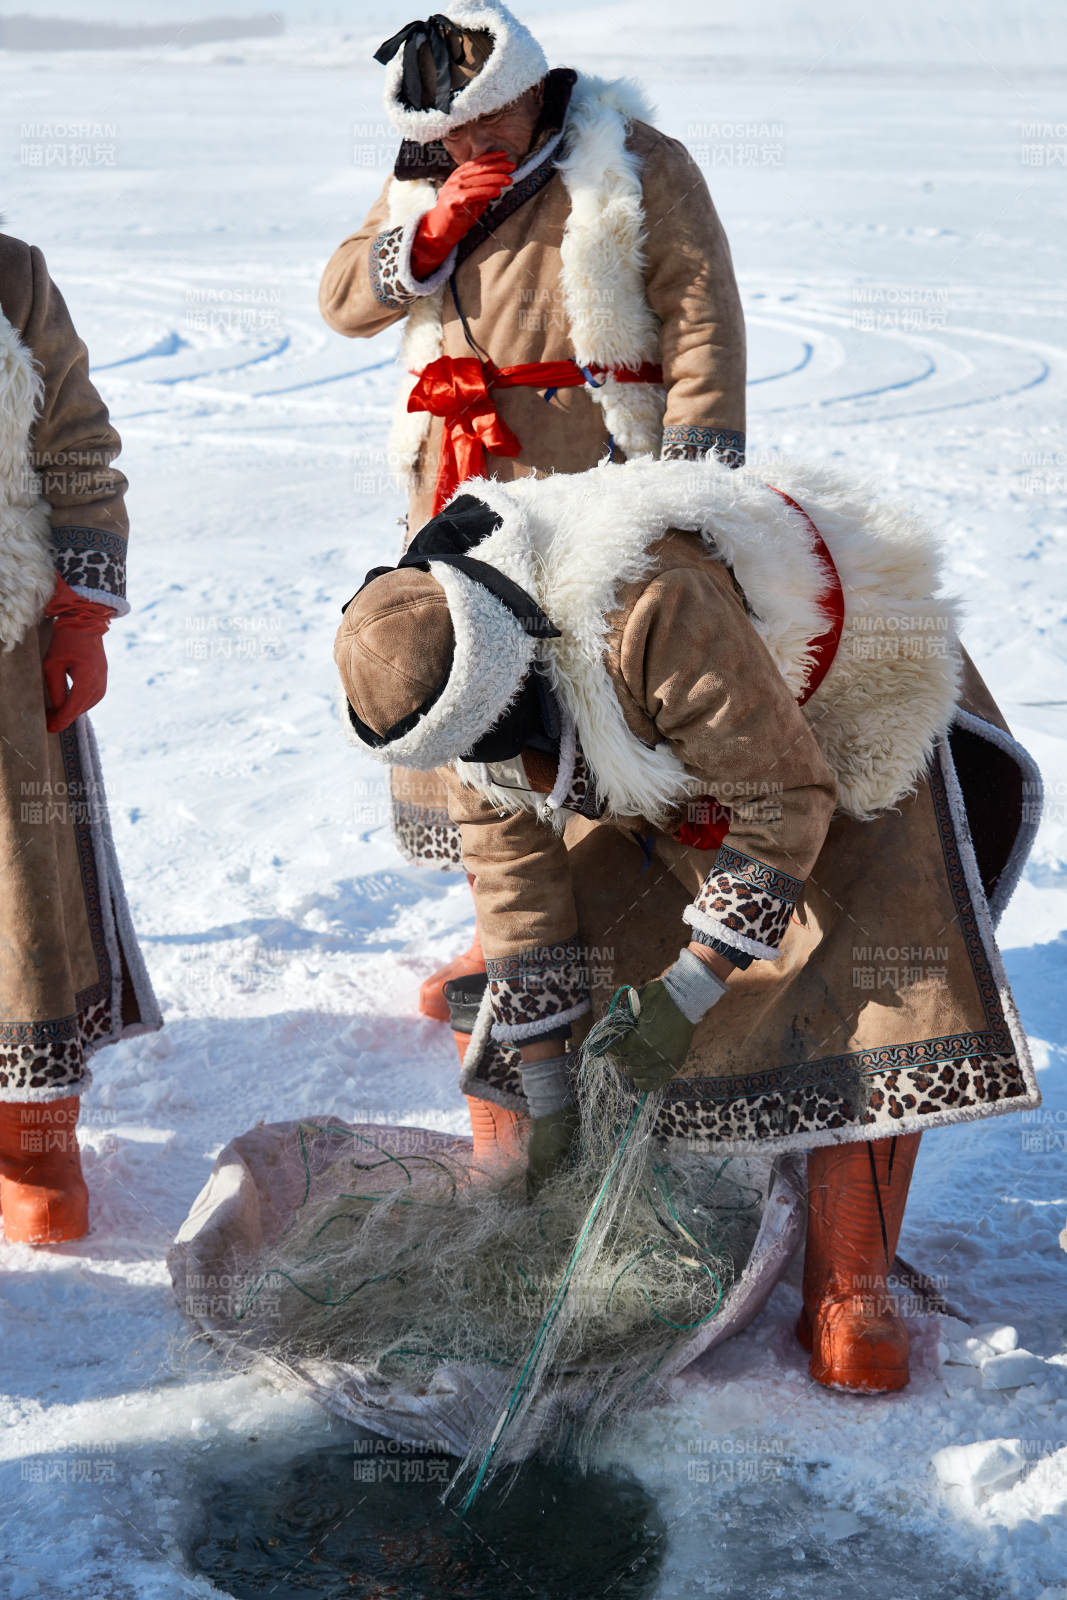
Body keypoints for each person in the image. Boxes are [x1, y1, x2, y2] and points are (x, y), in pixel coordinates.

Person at [332, 456, 1041, 1393]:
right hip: (670, 732)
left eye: (505, 741)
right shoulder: (429, 669)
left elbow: (784, 800)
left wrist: (690, 986)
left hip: (833, 722)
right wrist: (548, 1094)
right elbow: (518, 892)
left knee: (866, 959)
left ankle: (848, 1286)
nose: (499, 765)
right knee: (577, 942)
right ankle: (528, 1196)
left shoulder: (655, 605)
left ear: (515, 676)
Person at [318, 0, 746, 1028]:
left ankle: (628, 931)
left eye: (481, 123)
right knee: (470, 693)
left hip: (592, 484)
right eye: (446, 132)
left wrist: (686, 489)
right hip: (458, 491)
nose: (466, 145)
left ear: (524, 84)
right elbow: (340, 301)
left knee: (595, 704)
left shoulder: (633, 157)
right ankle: (503, 932)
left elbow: (700, 319)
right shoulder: (423, 181)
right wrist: (430, 229)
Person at [0, 234, 162, 1245]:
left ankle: (32, 1133)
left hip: (2, 631)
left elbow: (75, 444)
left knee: (20, 874)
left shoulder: (12, 275)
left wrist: (82, 617)